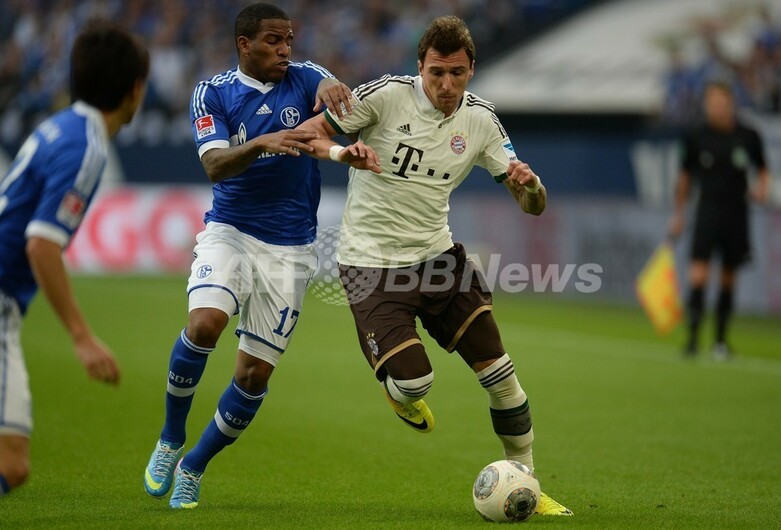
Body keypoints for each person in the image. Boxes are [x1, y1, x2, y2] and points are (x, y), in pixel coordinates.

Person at [297, 16, 572, 516]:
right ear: (419, 66)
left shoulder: (482, 120)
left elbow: (533, 206)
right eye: (437, 73)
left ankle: (529, 482)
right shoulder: (383, 96)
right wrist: (342, 152)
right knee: (414, 383)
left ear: (472, 70)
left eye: (457, 74)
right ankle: (399, 391)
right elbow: (305, 136)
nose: (446, 85)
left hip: (439, 259)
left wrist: (531, 186)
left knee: (501, 374)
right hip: (371, 264)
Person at [142, 3, 378, 510]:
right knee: (205, 325)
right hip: (231, 231)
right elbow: (214, 165)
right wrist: (263, 143)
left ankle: (193, 466)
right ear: (244, 44)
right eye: (274, 41)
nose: (285, 49)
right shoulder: (212, 93)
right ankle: (170, 437)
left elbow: (327, 90)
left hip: (291, 247)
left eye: (289, 39)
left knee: (253, 376)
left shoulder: (304, 77)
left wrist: (332, 91)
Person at [0, 21, 149, 496]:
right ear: (135, 90)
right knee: (11, 463)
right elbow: (41, 244)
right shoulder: (86, 147)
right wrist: (82, 337)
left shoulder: (60, 125)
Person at [669, 81, 769, 359]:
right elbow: (685, 178)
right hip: (707, 211)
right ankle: (692, 340)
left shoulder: (748, 135)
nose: (716, 107)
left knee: (728, 277)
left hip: (737, 213)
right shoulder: (696, 136)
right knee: (698, 274)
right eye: (711, 102)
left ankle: (720, 341)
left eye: (721, 102)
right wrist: (678, 214)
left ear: (731, 103)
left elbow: (763, 169)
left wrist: (762, 188)